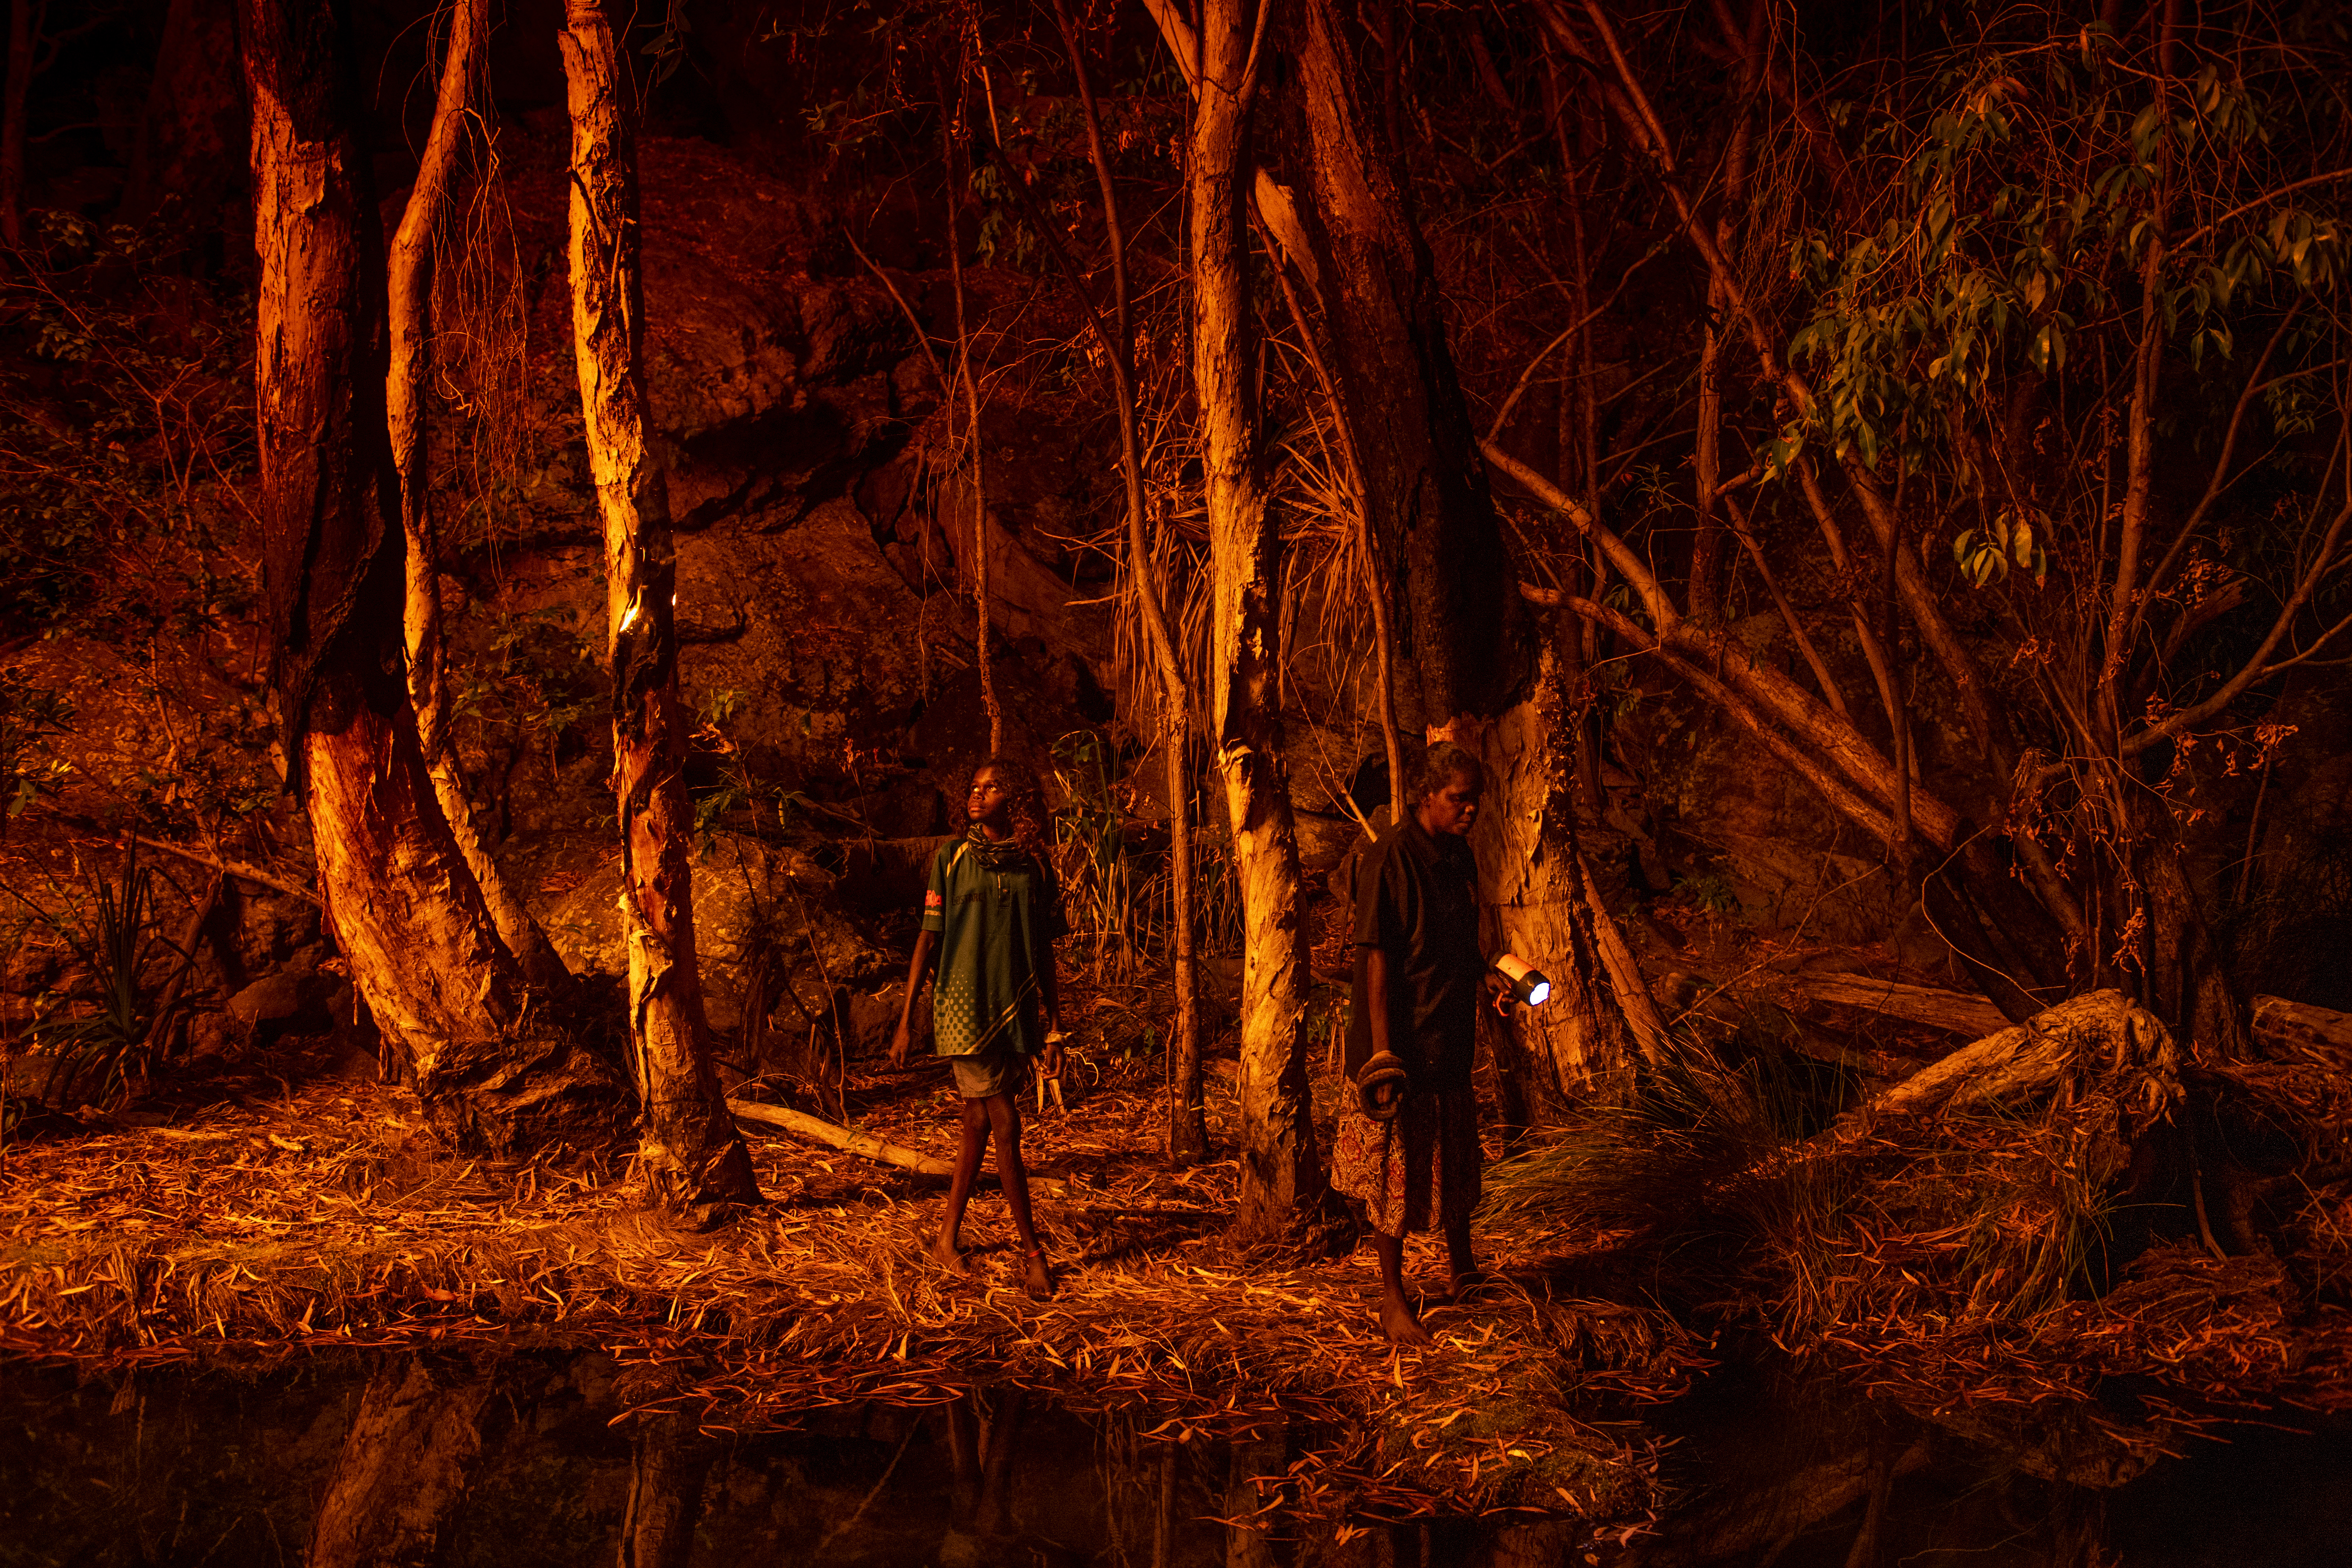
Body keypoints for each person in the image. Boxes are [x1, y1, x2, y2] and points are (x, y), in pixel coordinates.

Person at [1332, 743, 1503, 1345]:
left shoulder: (1458, 857)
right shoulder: (1389, 859)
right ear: (1427, 795)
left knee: (1456, 1157)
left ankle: (1463, 1267)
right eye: (1459, 798)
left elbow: (1461, 944)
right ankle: (1392, 1295)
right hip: (1400, 1042)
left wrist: (1490, 981)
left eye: (1475, 799)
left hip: (1449, 1032)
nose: (1470, 810)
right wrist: (1382, 1057)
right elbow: (1376, 958)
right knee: (1395, 1175)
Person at [889, 755, 1066, 1298]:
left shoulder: (1033, 867)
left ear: (1013, 797)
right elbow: (928, 938)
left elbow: (1043, 952)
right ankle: (1033, 1254)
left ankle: (946, 1240)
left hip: (1012, 1012)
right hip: (963, 1011)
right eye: (974, 787)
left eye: (991, 788)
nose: (977, 795)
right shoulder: (952, 858)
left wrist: (1055, 1027)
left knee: (977, 1126)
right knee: (1007, 1126)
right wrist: (904, 1019)